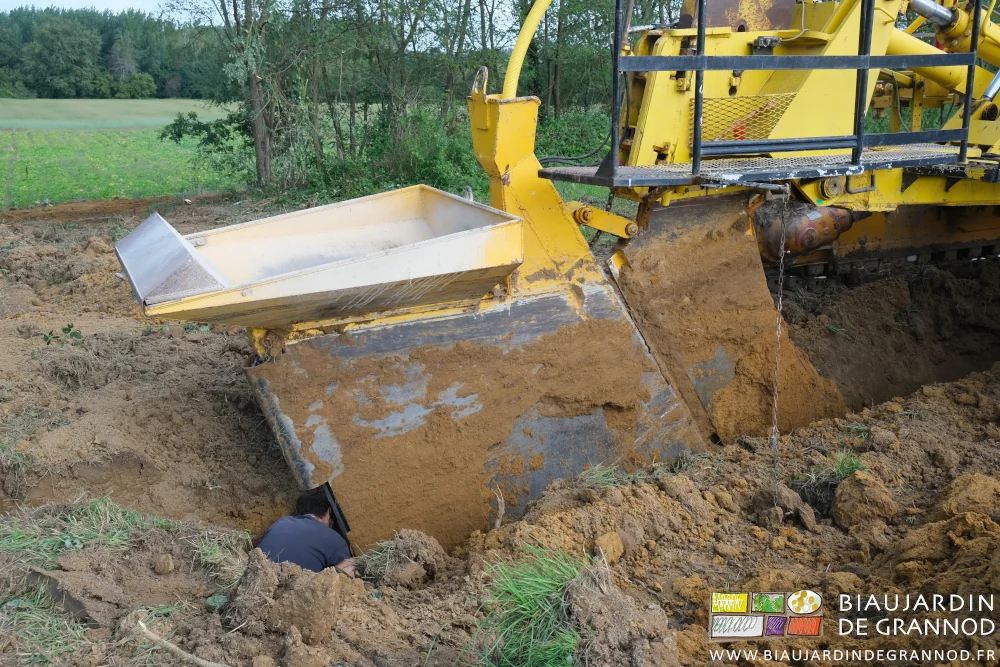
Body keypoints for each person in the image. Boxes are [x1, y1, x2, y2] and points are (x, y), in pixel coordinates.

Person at [257, 487, 356, 576]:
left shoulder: (281, 522)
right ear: (329, 512)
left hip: (256, 580)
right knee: (352, 563)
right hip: (294, 591)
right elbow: (347, 573)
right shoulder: (334, 538)